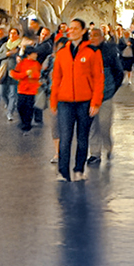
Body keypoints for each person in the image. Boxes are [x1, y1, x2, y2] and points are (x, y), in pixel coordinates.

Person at [48, 18, 102, 182]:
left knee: (82, 138)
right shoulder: (62, 53)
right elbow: (56, 78)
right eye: (69, 28)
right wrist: (53, 100)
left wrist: (96, 102)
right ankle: (63, 172)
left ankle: (79, 169)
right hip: (65, 101)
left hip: (85, 101)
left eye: (74, 28)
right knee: (65, 138)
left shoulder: (92, 52)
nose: (70, 31)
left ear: (83, 31)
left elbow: (98, 78)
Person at [86, 25, 124, 165]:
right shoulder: (85, 51)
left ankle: (108, 147)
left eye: (96, 35)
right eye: (91, 35)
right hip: (89, 95)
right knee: (91, 126)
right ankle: (95, 153)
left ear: (102, 37)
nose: (92, 38)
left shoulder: (109, 51)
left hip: (106, 95)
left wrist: (111, 89)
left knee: (104, 124)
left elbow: (119, 72)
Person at [11, 38, 42, 131]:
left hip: (32, 90)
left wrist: (32, 75)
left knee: (29, 108)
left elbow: (38, 75)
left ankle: (27, 123)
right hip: (22, 89)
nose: (36, 55)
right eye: (34, 54)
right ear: (29, 55)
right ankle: (23, 121)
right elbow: (14, 74)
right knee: (20, 106)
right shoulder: (22, 63)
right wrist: (25, 74)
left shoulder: (36, 64)